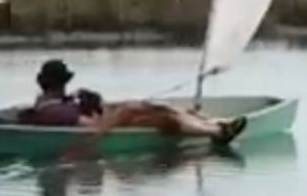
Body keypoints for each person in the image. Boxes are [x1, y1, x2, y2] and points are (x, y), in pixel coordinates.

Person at [19, 59, 248, 144]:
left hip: (109, 121)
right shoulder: (56, 111)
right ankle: (217, 132)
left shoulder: (54, 102)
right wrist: (114, 113)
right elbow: (95, 130)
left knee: (155, 107)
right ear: (60, 83)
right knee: (165, 118)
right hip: (110, 130)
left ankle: (214, 124)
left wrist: (94, 103)